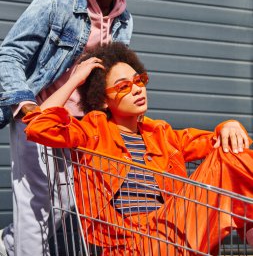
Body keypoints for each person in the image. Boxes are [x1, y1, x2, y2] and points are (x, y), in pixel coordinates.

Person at [22, 42, 253, 256]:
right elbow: (38, 126)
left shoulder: (160, 133)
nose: (136, 89)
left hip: (173, 230)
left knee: (232, 152)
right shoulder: (93, 130)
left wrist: (228, 125)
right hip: (134, 244)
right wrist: (75, 81)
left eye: (139, 80)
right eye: (123, 86)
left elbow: (217, 141)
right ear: (103, 100)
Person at [0, 0, 136, 256]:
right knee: (35, 205)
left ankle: (7, 246)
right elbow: (10, 55)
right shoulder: (55, 2)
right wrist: (23, 102)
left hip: (79, 127)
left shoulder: (124, 21)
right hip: (39, 116)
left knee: (62, 204)